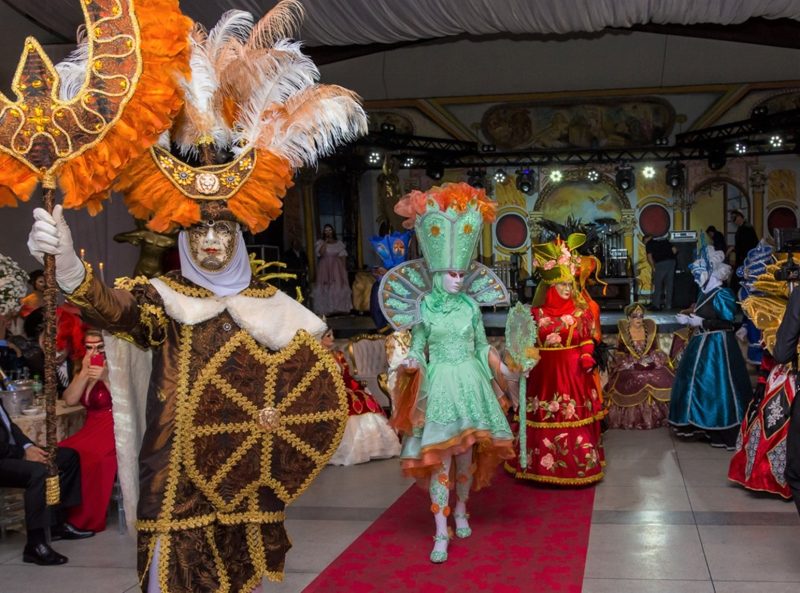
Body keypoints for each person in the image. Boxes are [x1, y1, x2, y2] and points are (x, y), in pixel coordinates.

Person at [384, 183, 513, 563]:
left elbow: (479, 346)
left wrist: (502, 366)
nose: (459, 279)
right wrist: (411, 363)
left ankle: (461, 509)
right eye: (452, 273)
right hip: (438, 387)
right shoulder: (425, 308)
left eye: (462, 273)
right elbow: (419, 348)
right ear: (438, 273)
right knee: (440, 457)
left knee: (464, 458)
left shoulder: (470, 307)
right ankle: (441, 529)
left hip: (470, 383)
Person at [505, 234, 605, 485]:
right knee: (543, 416)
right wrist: (526, 360)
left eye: (569, 285)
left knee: (572, 417)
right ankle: (538, 466)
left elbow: (585, 339)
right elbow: (525, 346)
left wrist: (585, 356)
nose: (567, 290)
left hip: (572, 374)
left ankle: (577, 467)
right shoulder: (534, 314)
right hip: (543, 376)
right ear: (549, 288)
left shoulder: (581, 313)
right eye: (562, 285)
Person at [669, 246, 752, 449]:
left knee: (717, 387)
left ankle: (721, 429)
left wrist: (701, 323)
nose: (696, 278)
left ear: (710, 272)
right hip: (702, 344)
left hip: (718, 348)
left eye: (698, 274)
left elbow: (728, 323)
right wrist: (690, 319)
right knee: (698, 386)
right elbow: (705, 314)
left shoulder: (723, 294)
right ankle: (701, 426)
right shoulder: (704, 293)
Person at [0, 399, 94, 565]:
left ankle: (57, 524)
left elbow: (10, 427)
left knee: (67, 457)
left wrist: (27, 446)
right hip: (3, 459)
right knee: (39, 473)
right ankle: (35, 544)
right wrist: (22, 454)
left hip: (10, 453)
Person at [59, 329, 117, 532]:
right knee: (63, 451)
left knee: (92, 459)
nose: (94, 352)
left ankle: (84, 520)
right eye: (90, 347)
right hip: (90, 427)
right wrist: (83, 373)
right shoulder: (83, 367)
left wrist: (106, 378)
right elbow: (70, 399)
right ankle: (60, 515)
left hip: (112, 426)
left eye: (100, 347)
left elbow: (127, 404)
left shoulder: (116, 367)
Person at [322, 329, 400, 465]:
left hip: (343, 389)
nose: (332, 338)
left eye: (332, 334)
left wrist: (355, 387)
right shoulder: (315, 358)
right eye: (328, 336)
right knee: (351, 401)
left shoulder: (338, 355)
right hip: (327, 393)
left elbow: (346, 377)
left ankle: (373, 447)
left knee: (363, 397)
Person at [605, 302, 674, 429]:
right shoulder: (624, 334)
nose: (639, 319)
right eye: (635, 316)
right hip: (630, 364)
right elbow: (620, 353)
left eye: (641, 316)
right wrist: (634, 363)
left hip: (649, 361)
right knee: (634, 380)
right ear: (628, 318)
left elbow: (655, 350)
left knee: (664, 377)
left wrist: (651, 361)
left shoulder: (649, 330)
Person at [312, 224, 352, 316]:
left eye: (329, 230)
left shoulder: (339, 243)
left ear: (333, 231)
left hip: (337, 267)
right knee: (325, 286)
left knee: (337, 286)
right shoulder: (320, 242)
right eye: (326, 230)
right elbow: (321, 253)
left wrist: (343, 270)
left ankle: (338, 308)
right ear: (323, 232)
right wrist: (325, 242)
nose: (328, 232)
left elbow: (343, 257)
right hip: (324, 267)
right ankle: (326, 309)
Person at [728, 210, 759, 293]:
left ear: (741, 216)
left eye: (736, 217)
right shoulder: (741, 228)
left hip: (747, 260)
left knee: (740, 282)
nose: (735, 220)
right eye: (733, 219)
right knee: (737, 283)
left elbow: (748, 244)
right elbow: (741, 244)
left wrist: (734, 249)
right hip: (742, 259)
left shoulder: (747, 228)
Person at [644, 233, 677, 310]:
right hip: (672, 262)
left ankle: (656, 305)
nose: (644, 244)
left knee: (658, 284)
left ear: (646, 239)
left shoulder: (649, 243)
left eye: (644, 242)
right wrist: (669, 256)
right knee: (669, 285)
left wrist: (653, 267)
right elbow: (675, 250)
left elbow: (649, 257)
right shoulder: (664, 240)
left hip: (660, 263)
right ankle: (668, 305)